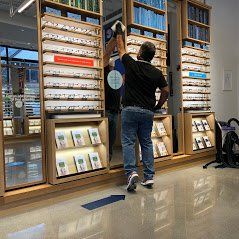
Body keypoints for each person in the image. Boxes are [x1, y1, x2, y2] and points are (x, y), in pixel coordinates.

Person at [114, 22, 169, 191]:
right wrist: (158, 105)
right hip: (147, 112)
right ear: (151, 57)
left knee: (129, 142)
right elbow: (166, 90)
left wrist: (118, 32)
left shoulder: (132, 64)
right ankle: (149, 177)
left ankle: (131, 173)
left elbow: (121, 49)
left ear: (139, 53)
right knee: (146, 143)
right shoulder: (157, 73)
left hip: (130, 110)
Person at [103, 37, 121, 161]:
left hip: (115, 111)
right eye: (111, 64)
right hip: (107, 110)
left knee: (112, 136)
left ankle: (109, 155)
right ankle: (106, 156)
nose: (112, 66)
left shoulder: (116, 76)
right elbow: (106, 55)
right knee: (106, 136)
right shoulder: (104, 73)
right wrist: (114, 38)